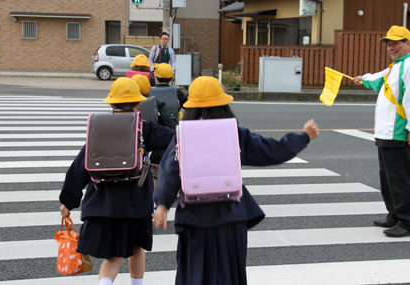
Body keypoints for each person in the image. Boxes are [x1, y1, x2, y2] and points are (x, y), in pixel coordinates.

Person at [153, 76, 319, 285]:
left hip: (195, 218)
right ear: (223, 106)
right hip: (231, 217)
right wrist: (304, 136)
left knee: (196, 274)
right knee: (229, 274)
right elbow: (271, 151)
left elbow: (170, 169)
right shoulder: (234, 134)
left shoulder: (182, 136)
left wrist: (162, 204)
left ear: (190, 108)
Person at [59, 77, 174, 285]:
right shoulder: (145, 128)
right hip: (137, 202)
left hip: (104, 201)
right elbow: (176, 139)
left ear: (111, 103)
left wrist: (69, 200)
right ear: (139, 103)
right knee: (137, 246)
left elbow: (80, 166)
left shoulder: (98, 128)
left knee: (113, 256)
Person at [352, 25, 410, 238]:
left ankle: (407, 222)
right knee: (387, 178)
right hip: (385, 132)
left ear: (408, 43)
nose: (391, 47)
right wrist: (362, 79)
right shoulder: (396, 66)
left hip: (398, 132)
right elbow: (377, 79)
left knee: (399, 179)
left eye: (396, 43)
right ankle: (394, 215)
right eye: (389, 43)